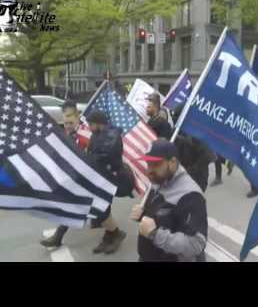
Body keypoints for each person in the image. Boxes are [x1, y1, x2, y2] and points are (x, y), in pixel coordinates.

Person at [131, 139, 208, 262]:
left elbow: (196, 245)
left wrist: (155, 234)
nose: (149, 170)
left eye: (156, 164)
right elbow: (163, 217)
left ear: (172, 162)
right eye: (148, 164)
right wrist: (143, 214)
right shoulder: (158, 180)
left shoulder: (191, 195)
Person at [40, 100, 90, 248]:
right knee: (96, 208)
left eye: (70, 118)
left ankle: (58, 236)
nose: (67, 124)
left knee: (72, 205)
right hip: (74, 176)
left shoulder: (84, 134)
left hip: (84, 177)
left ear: (77, 115)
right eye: (65, 120)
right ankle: (111, 230)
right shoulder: (69, 131)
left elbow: (86, 158)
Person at [85, 110, 127, 254]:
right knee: (101, 208)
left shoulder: (112, 135)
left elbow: (105, 155)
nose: (89, 126)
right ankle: (110, 235)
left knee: (102, 208)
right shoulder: (96, 134)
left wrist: (89, 158)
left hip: (111, 176)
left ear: (98, 123)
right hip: (99, 176)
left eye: (91, 124)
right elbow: (91, 151)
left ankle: (116, 234)